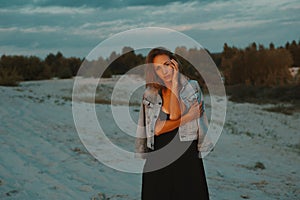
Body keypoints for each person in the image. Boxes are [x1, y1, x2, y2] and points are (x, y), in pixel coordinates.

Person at [135, 47, 212, 200]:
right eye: (158, 68)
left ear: (174, 64)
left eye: (167, 64)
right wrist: (188, 117)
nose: (164, 71)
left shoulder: (192, 87)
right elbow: (156, 129)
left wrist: (175, 84)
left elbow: (175, 113)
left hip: (186, 156)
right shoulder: (150, 94)